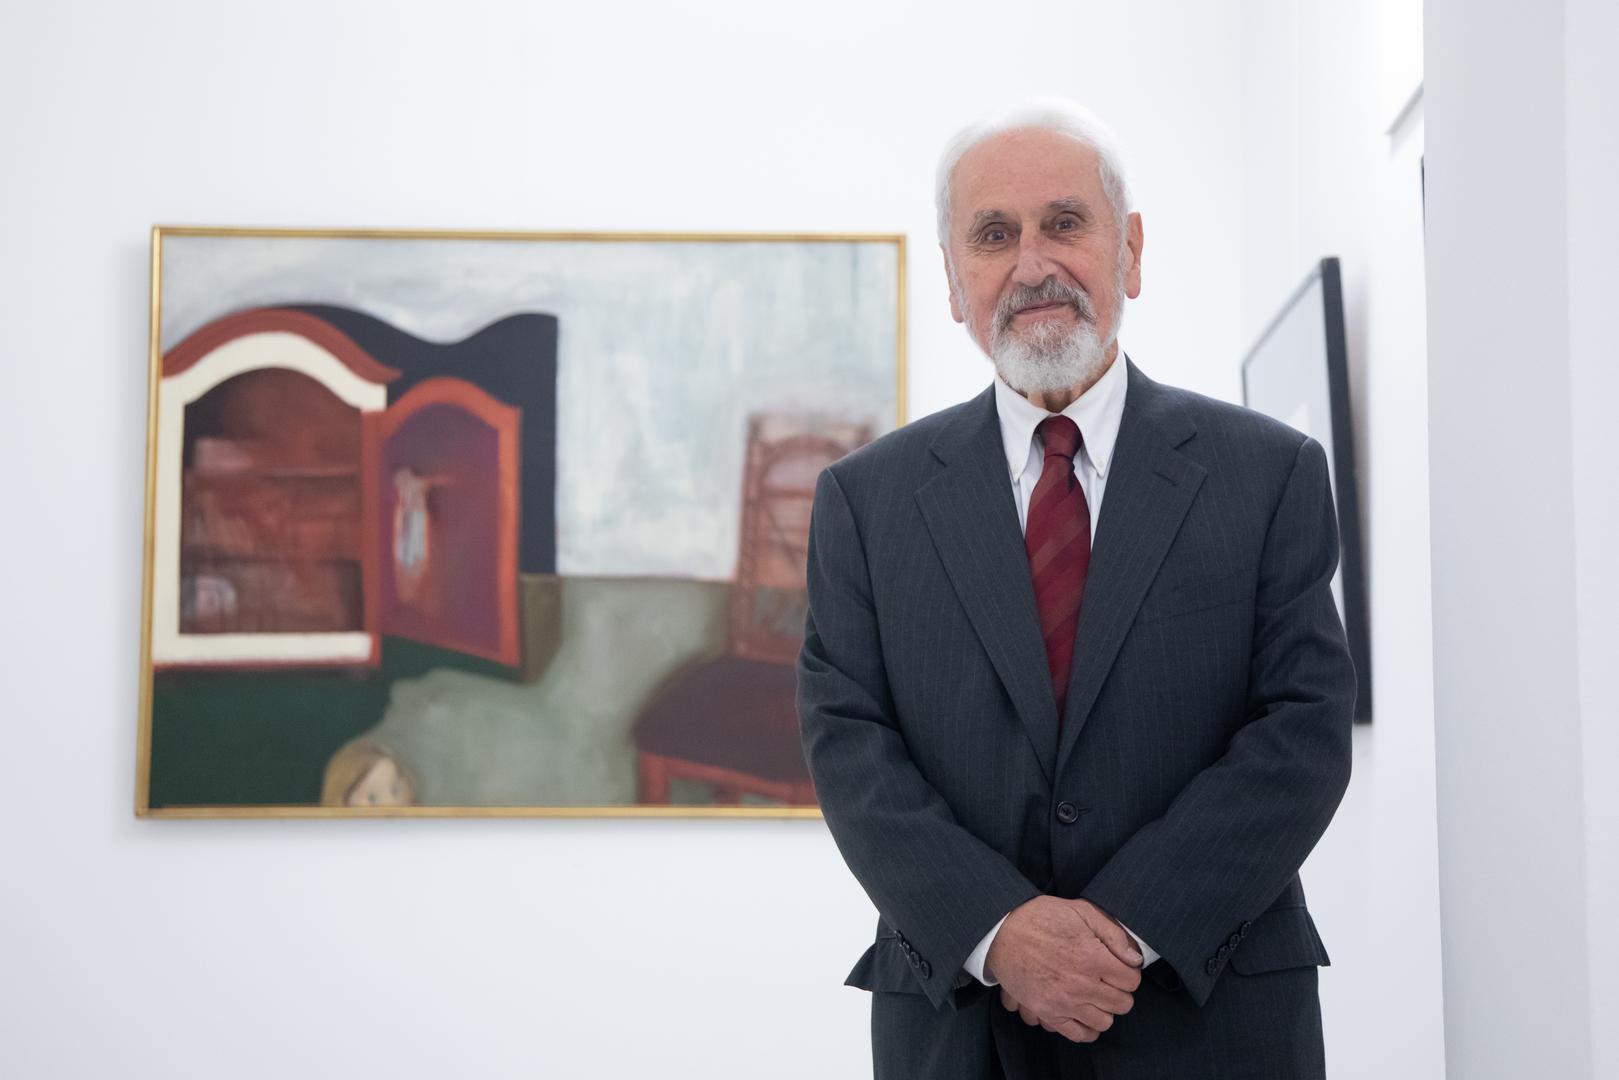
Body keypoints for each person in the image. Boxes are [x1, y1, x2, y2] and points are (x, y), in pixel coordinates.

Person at [796, 98, 1356, 1080]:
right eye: (993, 235)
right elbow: (848, 742)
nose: (1031, 265)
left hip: (1211, 1019)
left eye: (1063, 223)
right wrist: (999, 932)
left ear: (1128, 250)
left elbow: (1301, 727)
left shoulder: (1268, 474)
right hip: (959, 1025)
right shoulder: (863, 501)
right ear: (953, 281)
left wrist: (1122, 932)